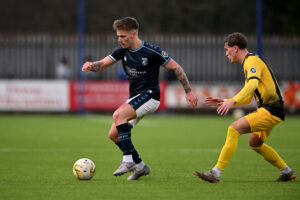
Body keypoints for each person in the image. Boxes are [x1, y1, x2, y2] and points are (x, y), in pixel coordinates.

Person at [82, 17, 198, 180]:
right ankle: (141, 166)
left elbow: (176, 67)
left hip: (151, 96)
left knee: (118, 115)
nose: (119, 40)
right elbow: (102, 64)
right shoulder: (122, 50)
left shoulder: (152, 51)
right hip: (136, 97)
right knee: (114, 135)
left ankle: (128, 161)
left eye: (123, 36)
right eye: (118, 36)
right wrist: (90, 65)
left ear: (134, 33)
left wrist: (189, 92)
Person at [194, 32, 296, 183]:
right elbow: (249, 97)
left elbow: (252, 84)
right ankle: (287, 171)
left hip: (270, 110)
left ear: (235, 48)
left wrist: (232, 101)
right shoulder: (249, 63)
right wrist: (225, 100)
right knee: (255, 143)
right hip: (271, 109)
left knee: (233, 129)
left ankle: (216, 173)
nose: (226, 53)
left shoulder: (251, 61)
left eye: (226, 49)